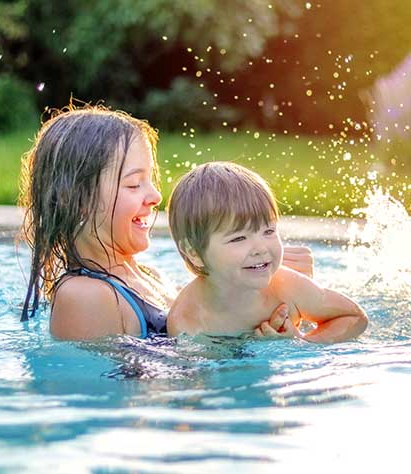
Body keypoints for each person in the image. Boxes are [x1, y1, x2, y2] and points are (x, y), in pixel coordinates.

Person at [18, 105, 314, 340]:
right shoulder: (83, 297)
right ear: (76, 199)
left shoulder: (148, 275)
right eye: (134, 184)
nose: (155, 195)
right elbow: (125, 396)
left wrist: (268, 295)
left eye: (150, 180)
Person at [166, 161, 368, 343]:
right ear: (194, 252)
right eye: (239, 238)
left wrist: (303, 342)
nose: (261, 248)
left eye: (268, 231)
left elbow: (355, 317)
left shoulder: (286, 288)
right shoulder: (187, 321)